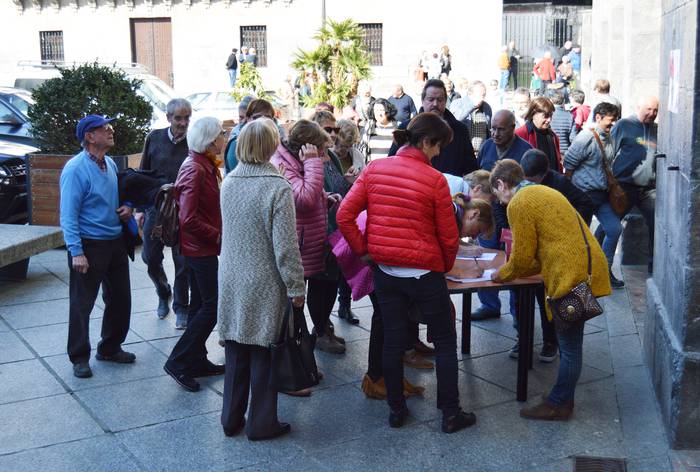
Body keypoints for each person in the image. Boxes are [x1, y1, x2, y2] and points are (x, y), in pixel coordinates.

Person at [337, 112, 477, 433]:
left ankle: (396, 410)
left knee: (393, 341)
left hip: (386, 272)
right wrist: (443, 266)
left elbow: (345, 214)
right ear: (426, 141)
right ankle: (450, 413)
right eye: (437, 146)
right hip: (425, 273)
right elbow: (448, 236)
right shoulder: (434, 180)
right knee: (443, 340)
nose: (438, 153)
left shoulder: (374, 169)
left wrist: (365, 251)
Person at [489, 159, 611, 420]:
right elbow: (539, 252)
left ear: (501, 184)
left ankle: (559, 404)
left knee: (569, 346)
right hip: (586, 267)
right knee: (570, 343)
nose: (499, 201)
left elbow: (522, 259)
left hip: (573, 275)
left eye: (497, 194)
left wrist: (502, 275)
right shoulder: (543, 190)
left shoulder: (519, 203)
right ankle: (562, 398)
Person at [218, 118, 305, 441]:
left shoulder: (228, 182)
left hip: (231, 275)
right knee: (265, 352)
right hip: (265, 279)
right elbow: (285, 246)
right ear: (271, 146)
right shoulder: (276, 187)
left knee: (237, 349)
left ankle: (230, 418)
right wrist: (296, 287)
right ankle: (262, 423)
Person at [60, 115, 135, 379]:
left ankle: (110, 347)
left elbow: (118, 198)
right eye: (105, 128)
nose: (111, 130)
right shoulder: (75, 169)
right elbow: (68, 215)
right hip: (89, 246)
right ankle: (79, 356)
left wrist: (128, 209)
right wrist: (76, 251)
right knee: (82, 304)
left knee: (120, 299)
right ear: (90, 137)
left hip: (114, 241)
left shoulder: (110, 163)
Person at [271, 120, 345, 354]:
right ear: (307, 147)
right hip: (298, 244)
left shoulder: (297, 160)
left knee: (325, 284)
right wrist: (313, 162)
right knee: (295, 302)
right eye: (320, 151)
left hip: (313, 238)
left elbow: (310, 193)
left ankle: (321, 331)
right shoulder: (282, 162)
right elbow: (302, 200)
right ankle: (293, 354)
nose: (323, 156)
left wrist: (326, 198)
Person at [163, 117, 226, 392]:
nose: (225, 137)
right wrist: (217, 236)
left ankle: (197, 360)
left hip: (204, 248)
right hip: (199, 250)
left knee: (202, 306)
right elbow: (187, 219)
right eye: (221, 133)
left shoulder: (204, 165)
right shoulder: (195, 168)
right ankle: (178, 361)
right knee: (211, 307)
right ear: (211, 140)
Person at [135, 98, 192, 328]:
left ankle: (181, 307)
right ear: (168, 118)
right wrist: (139, 209)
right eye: (178, 118)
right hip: (155, 209)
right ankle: (162, 290)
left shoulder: (193, 142)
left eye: (187, 118)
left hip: (182, 211)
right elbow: (142, 173)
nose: (183, 123)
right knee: (150, 257)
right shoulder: (154, 138)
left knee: (182, 262)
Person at [471, 110, 532, 323]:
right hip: (489, 214)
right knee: (486, 254)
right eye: (493, 128)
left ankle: (518, 319)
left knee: (514, 261)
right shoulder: (487, 146)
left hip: (513, 215)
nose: (495, 133)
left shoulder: (525, 150)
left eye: (501, 129)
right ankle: (489, 304)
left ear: (513, 127)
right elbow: (478, 172)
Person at [564, 102, 624, 287]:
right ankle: (577, 276)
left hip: (602, 195)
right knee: (580, 238)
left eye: (615, 121)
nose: (613, 124)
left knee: (614, 229)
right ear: (598, 117)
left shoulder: (608, 137)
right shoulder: (585, 137)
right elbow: (569, 163)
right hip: (584, 196)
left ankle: (604, 272)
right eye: (610, 121)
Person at [311, 111, 359, 327]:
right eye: (328, 129)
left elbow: (339, 190)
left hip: (336, 229)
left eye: (335, 129)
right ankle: (321, 330)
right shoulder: (310, 159)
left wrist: (348, 181)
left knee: (332, 280)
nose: (333, 134)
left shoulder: (331, 158)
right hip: (317, 232)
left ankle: (327, 326)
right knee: (320, 284)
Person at [388, 79, 476, 177]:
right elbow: (393, 162)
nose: (435, 104)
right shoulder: (406, 127)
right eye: (430, 99)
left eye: (440, 99)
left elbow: (471, 167)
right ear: (422, 101)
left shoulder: (459, 129)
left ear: (445, 101)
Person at [611, 96, 659, 273]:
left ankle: (654, 265)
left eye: (655, 111)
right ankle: (598, 260)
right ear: (638, 107)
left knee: (656, 223)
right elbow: (609, 152)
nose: (652, 114)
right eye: (648, 109)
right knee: (611, 224)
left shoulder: (656, 130)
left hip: (648, 189)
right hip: (624, 186)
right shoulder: (624, 125)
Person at [225, 99, 279, 172]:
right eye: (257, 117)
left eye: (267, 117)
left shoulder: (275, 141)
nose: (262, 121)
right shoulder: (236, 143)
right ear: (248, 119)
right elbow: (238, 177)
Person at [515, 97, 563, 173]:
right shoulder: (520, 134)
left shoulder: (553, 136)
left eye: (551, 115)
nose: (549, 120)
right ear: (534, 113)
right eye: (546, 116)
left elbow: (558, 163)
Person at [449, 80, 492, 154]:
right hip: (461, 151)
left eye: (484, 95)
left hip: (481, 152)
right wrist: (472, 105)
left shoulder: (486, 107)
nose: (482, 99)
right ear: (470, 94)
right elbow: (454, 120)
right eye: (480, 95)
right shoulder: (457, 103)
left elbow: (489, 130)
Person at [361, 98, 398, 162]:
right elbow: (362, 150)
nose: (379, 113)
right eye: (376, 110)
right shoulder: (368, 129)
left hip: (391, 168)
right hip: (372, 168)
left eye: (381, 110)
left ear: (388, 111)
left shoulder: (397, 128)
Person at [550, 91, 575, 156]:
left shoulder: (547, 116)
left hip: (551, 150)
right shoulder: (570, 116)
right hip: (565, 152)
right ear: (564, 102)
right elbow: (573, 138)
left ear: (551, 101)